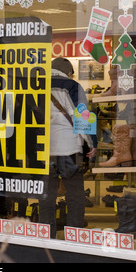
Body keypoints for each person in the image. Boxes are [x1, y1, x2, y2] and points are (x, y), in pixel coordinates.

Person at [38, 57, 97, 239]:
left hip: (45, 149)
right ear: (69, 72)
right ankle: (75, 235)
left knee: (46, 195)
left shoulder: (37, 87)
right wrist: (91, 143)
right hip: (70, 149)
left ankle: (47, 235)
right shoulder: (72, 86)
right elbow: (83, 117)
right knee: (75, 194)